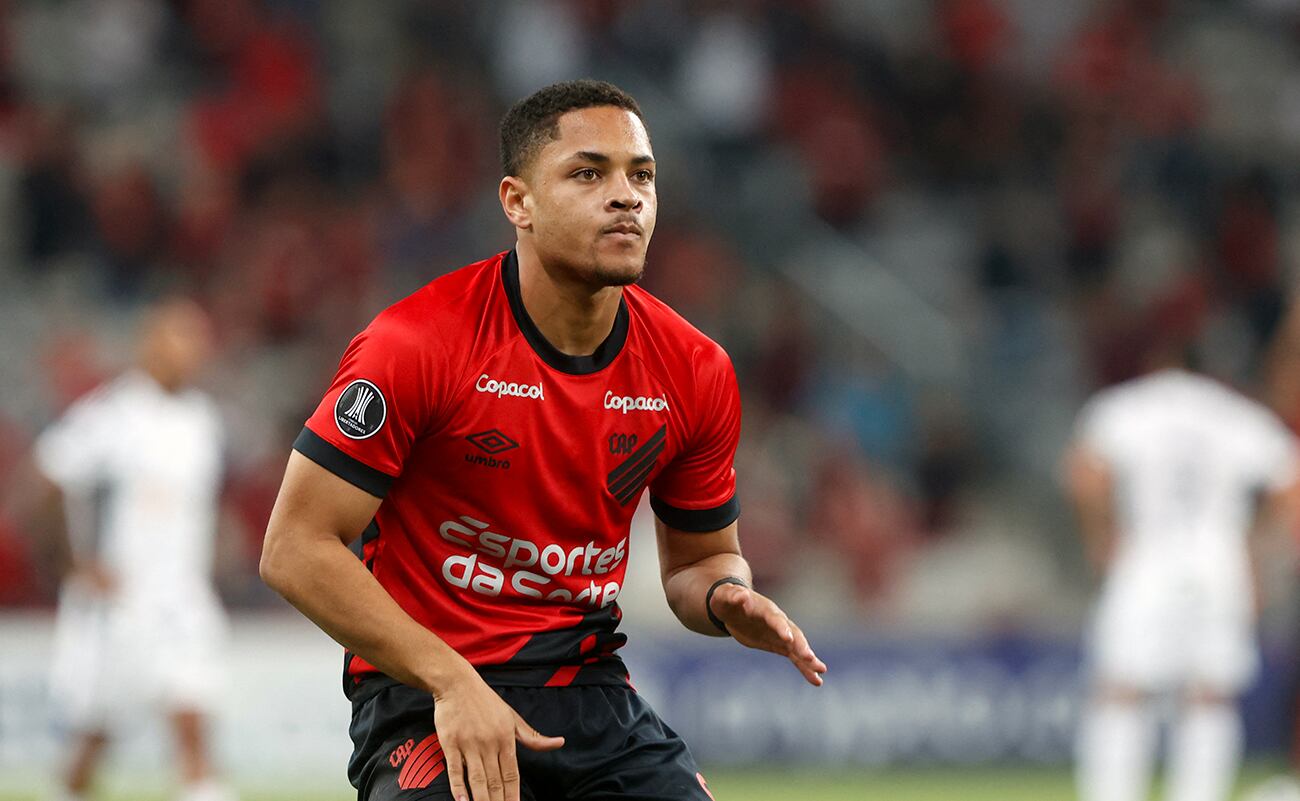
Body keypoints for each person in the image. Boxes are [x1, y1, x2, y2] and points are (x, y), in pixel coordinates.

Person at [259, 79, 827, 801]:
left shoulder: (695, 369)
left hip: (590, 692)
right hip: (427, 694)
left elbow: (699, 560)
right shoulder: (416, 344)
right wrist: (449, 679)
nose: (625, 197)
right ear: (517, 202)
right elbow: (294, 548)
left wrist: (727, 595)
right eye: (589, 173)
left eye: (641, 176)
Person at [15, 298, 235, 801]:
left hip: (183, 600)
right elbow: (45, 478)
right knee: (95, 738)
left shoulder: (203, 420)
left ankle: (202, 788)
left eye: (199, 340)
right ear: (151, 344)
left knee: (193, 717)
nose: (194, 351)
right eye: (181, 337)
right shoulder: (116, 411)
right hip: (121, 605)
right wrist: (72, 566)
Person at [1064, 343, 1300, 801]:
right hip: (1218, 565)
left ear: (1156, 365)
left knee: (1120, 688)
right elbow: (1289, 481)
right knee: (1209, 695)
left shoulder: (1126, 407)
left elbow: (1085, 472)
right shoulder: (1233, 413)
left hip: (1146, 558)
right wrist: (1259, 548)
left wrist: (1101, 535)